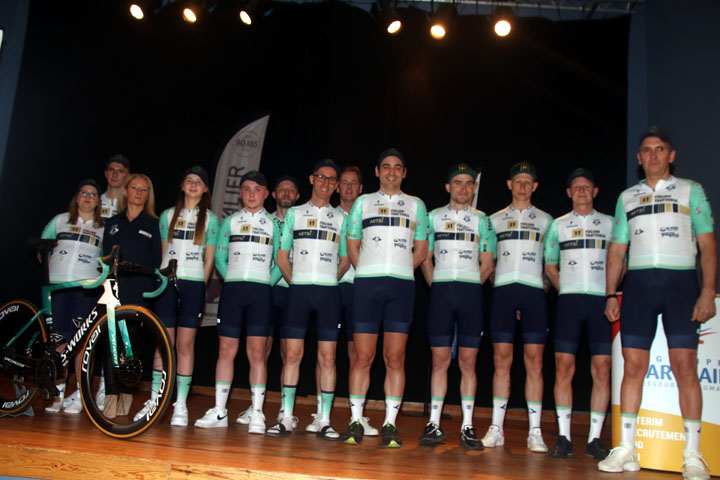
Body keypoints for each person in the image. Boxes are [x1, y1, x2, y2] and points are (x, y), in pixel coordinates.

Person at [599, 127, 716, 480]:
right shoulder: (627, 197)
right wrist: (610, 293)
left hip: (681, 286)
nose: (653, 155)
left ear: (671, 155)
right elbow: (617, 250)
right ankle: (627, 448)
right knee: (633, 367)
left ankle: (692, 455)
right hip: (638, 289)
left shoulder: (691, 190)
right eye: (647, 150)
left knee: (685, 368)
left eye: (659, 149)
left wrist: (708, 291)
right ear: (639, 158)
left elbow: (708, 244)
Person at [342, 148, 429, 448]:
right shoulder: (362, 203)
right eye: (386, 167)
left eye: (397, 167)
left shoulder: (417, 205)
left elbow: (421, 251)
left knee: (395, 358)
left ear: (404, 173)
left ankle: (390, 423)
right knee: (363, 357)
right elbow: (352, 247)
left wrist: (399, 271)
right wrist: (369, 271)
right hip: (367, 286)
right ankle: (355, 420)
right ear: (377, 172)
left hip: (401, 288)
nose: (392, 172)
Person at [266, 159, 350, 440]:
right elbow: (282, 258)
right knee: (291, 355)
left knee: (328, 358)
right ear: (312, 179)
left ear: (336, 186)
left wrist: (328, 281)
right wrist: (298, 283)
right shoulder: (294, 214)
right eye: (321, 177)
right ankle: (286, 417)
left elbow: (346, 259)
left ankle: (324, 420)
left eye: (331, 180)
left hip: (328, 293)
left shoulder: (342, 219)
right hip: (298, 292)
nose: (326, 183)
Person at [195, 170, 282, 433]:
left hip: (261, 293)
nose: (252, 194)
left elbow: (281, 260)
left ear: (265, 194)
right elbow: (220, 258)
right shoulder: (229, 222)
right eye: (247, 189)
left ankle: (257, 413)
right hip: (232, 292)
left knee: (257, 353)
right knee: (226, 350)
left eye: (257, 189)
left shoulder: (275, 224)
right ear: (240, 193)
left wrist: (266, 282)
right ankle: (220, 410)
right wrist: (230, 278)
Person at [419, 164, 496, 450]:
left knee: (468, 362)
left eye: (468, 183)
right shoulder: (432, 217)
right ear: (448, 187)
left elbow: (487, 264)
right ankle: (434, 423)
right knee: (440, 360)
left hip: (471, 294)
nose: (463, 188)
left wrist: (471, 286)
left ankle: (467, 426)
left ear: (473, 188)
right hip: (441, 292)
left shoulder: (483, 221)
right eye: (458, 182)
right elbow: (425, 258)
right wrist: (437, 285)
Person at [482, 162, 553, 452]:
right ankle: (496, 428)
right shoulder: (493, 220)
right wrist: (500, 286)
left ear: (535, 186)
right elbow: (488, 262)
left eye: (528, 182)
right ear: (509, 185)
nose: (522, 186)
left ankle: (535, 432)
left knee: (535, 362)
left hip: (534, 293)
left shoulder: (548, 220)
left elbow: (551, 264)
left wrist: (541, 290)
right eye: (517, 181)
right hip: (503, 293)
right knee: (501, 361)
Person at [544, 168, 613, 459]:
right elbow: (550, 266)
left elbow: (620, 262)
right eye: (577, 187)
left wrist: (610, 293)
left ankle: (595, 438)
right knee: (564, 368)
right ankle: (564, 436)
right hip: (569, 303)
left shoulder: (610, 224)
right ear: (569, 193)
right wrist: (567, 290)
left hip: (601, 304)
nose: (582, 191)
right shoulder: (557, 225)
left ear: (595, 192)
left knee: (603, 369)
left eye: (587, 187)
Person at [149, 166, 219, 427]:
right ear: (182, 185)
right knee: (163, 343)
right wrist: (163, 279)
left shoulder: (211, 219)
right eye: (189, 180)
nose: (193, 184)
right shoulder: (167, 215)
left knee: (185, 345)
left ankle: (180, 404)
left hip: (194, 284)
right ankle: (156, 399)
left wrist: (201, 284)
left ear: (205, 189)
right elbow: (164, 253)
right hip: (167, 282)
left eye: (198, 181)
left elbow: (209, 259)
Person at [236, 174, 301, 426]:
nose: (286, 193)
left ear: (297, 196)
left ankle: (286, 411)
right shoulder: (265, 221)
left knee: (289, 353)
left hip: (293, 292)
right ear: (272, 194)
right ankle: (256, 407)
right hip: (267, 291)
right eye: (281, 189)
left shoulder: (302, 220)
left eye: (291, 190)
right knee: (260, 350)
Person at [42, 179, 105, 414]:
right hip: (58, 287)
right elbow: (42, 247)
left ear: (98, 201)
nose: (88, 197)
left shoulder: (103, 227)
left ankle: (80, 393)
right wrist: (50, 267)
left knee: (82, 342)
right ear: (77, 197)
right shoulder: (59, 220)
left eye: (93, 194)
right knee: (60, 340)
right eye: (84, 193)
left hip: (86, 288)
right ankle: (58, 393)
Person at [102, 173, 162, 417]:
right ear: (125, 191)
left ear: (148, 195)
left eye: (144, 189)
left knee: (132, 346)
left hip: (140, 291)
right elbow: (105, 257)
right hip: (113, 289)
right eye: (134, 188)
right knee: (110, 343)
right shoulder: (112, 223)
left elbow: (157, 260)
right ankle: (109, 397)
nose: (138, 192)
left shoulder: (154, 224)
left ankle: (126, 394)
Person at [101, 155, 130, 219]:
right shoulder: (95, 202)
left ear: (128, 176)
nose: (115, 175)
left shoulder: (132, 204)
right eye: (111, 170)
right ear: (106, 174)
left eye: (120, 171)